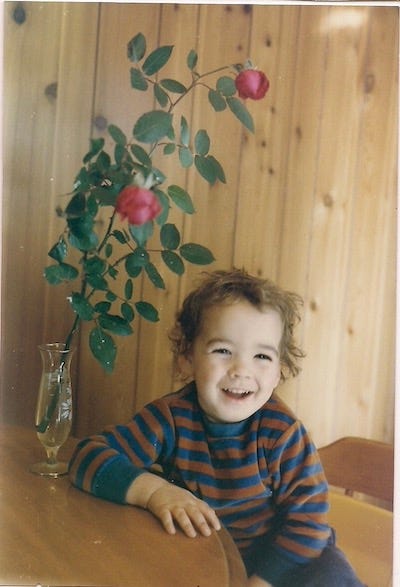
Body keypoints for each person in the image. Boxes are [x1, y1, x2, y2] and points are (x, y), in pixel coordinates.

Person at [69, 269, 364, 587]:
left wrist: (260, 583)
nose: (241, 370)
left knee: (332, 576)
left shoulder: (282, 434)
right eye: (223, 350)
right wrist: (155, 492)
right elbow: (87, 457)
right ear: (187, 358)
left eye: (261, 356)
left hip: (289, 564)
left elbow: (309, 526)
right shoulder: (171, 419)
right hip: (209, 561)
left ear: (279, 372)